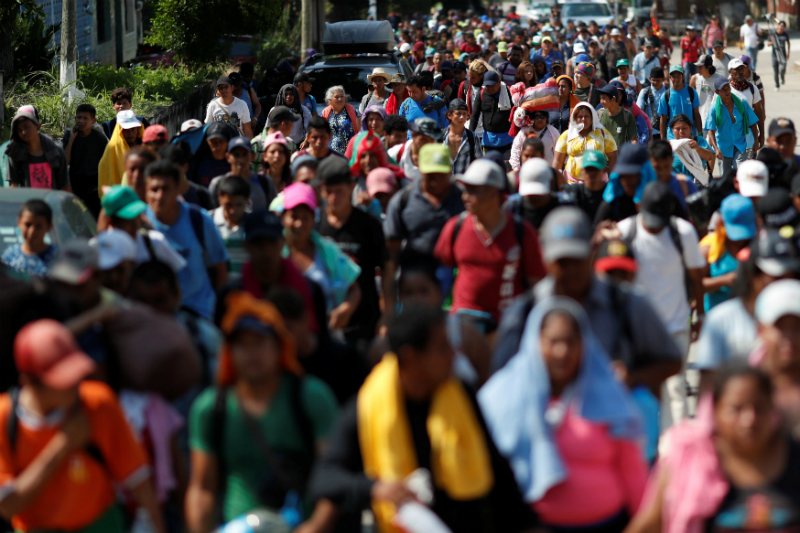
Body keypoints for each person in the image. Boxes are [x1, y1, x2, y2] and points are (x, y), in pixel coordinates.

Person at [310, 305, 539, 533]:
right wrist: (376, 487)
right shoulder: (368, 407)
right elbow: (325, 479)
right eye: (442, 347)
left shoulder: (461, 394)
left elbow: (497, 470)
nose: (453, 354)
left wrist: (529, 525)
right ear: (411, 357)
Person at [482, 297, 647, 531]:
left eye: (571, 342)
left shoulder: (608, 397)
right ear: (535, 342)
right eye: (553, 341)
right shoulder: (503, 398)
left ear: (585, 345)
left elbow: (633, 472)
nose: (562, 351)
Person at [186, 292, 338, 533]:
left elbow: (334, 478)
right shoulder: (210, 409)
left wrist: (314, 528)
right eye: (242, 344)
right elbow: (203, 487)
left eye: (260, 342)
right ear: (229, 351)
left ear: (280, 348)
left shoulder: (312, 398)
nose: (251, 352)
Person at [0, 319, 166, 533]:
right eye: (61, 379)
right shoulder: (4, 418)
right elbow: (7, 506)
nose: (74, 384)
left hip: (102, 526)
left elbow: (139, 482)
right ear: (28, 381)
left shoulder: (99, 402)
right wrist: (62, 446)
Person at [617, 181, 707, 424]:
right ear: (639, 209)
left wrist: (699, 315)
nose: (655, 228)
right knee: (643, 391)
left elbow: (696, 276)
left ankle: (674, 451)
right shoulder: (625, 231)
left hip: (675, 325)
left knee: (676, 390)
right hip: (638, 329)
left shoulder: (683, 232)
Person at [435, 159, 546, 328]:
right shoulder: (454, 228)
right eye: (465, 189)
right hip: (464, 324)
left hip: (508, 326)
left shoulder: (522, 232)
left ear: (494, 192)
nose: (465, 196)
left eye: (473, 190)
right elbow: (441, 276)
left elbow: (537, 284)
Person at [694, 227, 799, 373]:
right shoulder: (720, 321)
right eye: (776, 276)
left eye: (790, 275)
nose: (784, 283)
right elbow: (708, 386)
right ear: (753, 276)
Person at [317, 158, 392, 347]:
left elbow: (386, 270)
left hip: (365, 324)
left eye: (339, 191)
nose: (334, 198)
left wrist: (387, 316)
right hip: (324, 323)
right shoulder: (315, 227)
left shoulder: (369, 226)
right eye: (329, 192)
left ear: (351, 188)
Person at [145, 160, 229, 320]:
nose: (160, 196)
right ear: (146, 192)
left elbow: (220, 268)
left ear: (178, 190)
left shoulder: (200, 220)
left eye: (166, 189)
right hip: (155, 318)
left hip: (199, 314)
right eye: (154, 189)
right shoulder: (140, 224)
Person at [281, 182, 362, 331]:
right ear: (283, 218)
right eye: (294, 216)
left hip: (325, 338)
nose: (299, 223)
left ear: (314, 219)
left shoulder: (328, 251)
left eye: (305, 217)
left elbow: (354, 289)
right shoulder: (275, 252)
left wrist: (345, 310)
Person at [101, 184, 187, 272]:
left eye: (137, 217)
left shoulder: (154, 242)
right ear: (111, 222)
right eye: (128, 220)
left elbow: (180, 273)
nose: (135, 225)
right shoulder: (99, 253)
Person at [700, 194, 756, 313]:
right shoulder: (710, 247)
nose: (740, 239)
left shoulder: (759, 243)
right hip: (715, 318)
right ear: (721, 222)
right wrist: (725, 280)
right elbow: (695, 285)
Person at [6, 106, 70, 191]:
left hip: (51, 202)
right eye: (19, 130)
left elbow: (64, 186)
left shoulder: (56, 152)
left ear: (38, 126)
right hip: (28, 203)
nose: (24, 132)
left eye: (27, 127)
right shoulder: (16, 154)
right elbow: (13, 186)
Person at [704, 77, 760, 175]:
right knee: (725, 177)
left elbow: (753, 124)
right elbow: (711, 130)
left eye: (728, 88)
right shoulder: (714, 108)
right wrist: (716, 149)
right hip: (723, 148)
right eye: (723, 90)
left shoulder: (741, 103)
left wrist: (756, 141)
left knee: (740, 173)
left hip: (740, 145)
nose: (727, 91)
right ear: (717, 92)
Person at [553, 102, 618, 182]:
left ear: (592, 118)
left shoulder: (603, 134)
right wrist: (555, 182)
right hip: (571, 184)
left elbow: (613, 156)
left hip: (598, 184)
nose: (583, 119)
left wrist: (613, 179)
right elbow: (558, 161)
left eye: (586, 116)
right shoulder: (567, 135)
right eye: (580, 117)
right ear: (575, 119)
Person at [62, 103, 107, 216]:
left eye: (85, 118)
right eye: (79, 117)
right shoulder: (69, 135)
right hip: (75, 188)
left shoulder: (99, 138)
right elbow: (66, 161)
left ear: (93, 120)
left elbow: (105, 163)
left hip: (94, 191)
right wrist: (72, 139)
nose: (81, 121)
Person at [210, 136, 276, 212]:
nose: (241, 160)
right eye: (236, 155)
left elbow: (273, 214)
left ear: (253, 156)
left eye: (245, 154)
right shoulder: (218, 184)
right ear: (228, 157)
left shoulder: (265, 182)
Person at [1, 199, 57, 278]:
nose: (32, 232)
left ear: (49, 227)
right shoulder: (10, 256)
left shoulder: (58, 257)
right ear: (19, 222)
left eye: (38, 226)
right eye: (28, 225)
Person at [469, 70, 514, 161]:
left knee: (506, 168)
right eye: (487, 86)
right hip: (489, 141)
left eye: (492, 85)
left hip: (508, 140)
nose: (490, 88)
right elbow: (474, 116)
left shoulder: (509, 93)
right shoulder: (481, 94)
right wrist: (469, 135)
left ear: (498, 82)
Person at [211, 175, 250, 277]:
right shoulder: (208, 221)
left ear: (247, 200)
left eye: (239, 205)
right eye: (228, 205)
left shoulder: (254, 224)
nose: (233, 211)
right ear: (220, 197)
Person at [98, 110, 144, 194]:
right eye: (126, 130)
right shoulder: (112, 148)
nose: (130, 134)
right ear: (119, 130)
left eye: (133, 129)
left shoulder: (144, 145)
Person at [728, 57, 765, 156]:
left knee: (749, 168)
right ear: (730, 71)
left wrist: (761, 135)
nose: (740, 72)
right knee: (732, 170)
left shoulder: (753, 89)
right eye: (737, 69)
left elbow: (758, 112)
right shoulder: (724, 89)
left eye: (742, 69)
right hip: (730, 136)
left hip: (749, 135)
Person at [648, 140, 698, 212]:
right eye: (657, 168)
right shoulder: (643, 186)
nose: (662, 172)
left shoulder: (685, 184)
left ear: (672, 160)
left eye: (666, 166)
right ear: (649, 163)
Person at [657, 65, 703, 140]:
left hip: (689, 136)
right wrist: (662, 138)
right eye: (673, 76)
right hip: (672, 137)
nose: (676, 79)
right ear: (670, 77)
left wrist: (700, 134)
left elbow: (697, 115)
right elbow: (663, 119)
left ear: (683, 76)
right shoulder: (665, 96)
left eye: (678, 76)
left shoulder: (691, 92)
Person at [562, 150, 607, 221]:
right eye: (588, 169)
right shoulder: (574, 192)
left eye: (596, 169)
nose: (592, 173)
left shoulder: (611, 193)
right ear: (582, 170)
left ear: (604, 170)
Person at [669, 114, 716, 182]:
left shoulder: (699, 141)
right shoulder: (670, 145)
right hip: (676, 185)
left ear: (690, 128)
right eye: (677, 129)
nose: (681, 131)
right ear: (672, 130)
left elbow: (710, 156)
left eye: (684, 128)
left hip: (697, 183)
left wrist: (697, 148)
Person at [187, 122, 234, 188]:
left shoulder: (235, 161)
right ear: (207, 141)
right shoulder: (197, 162)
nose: (217, 146)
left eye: (221, 141)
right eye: (214, 142)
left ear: (228, 141)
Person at [442, 99, 482, 175]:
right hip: (444, 184)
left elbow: (479, 163)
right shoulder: (440, 136)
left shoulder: (472, 137)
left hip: (464, 184)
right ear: (449, 115)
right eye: (458, 114)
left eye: (464, 114)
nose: (462, 117)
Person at [320, 86, 360, 155]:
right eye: (336, 97)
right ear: (330, 100)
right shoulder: (325, 113)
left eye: (342, 96)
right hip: (331, 154)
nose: (340, 99)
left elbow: (360, 132)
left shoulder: (354, 112)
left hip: (351, 153)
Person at [598, 84, 638, 148]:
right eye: (600, 98)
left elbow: (633, 140)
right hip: (603, 157)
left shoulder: (627, 116)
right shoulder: (599, 114)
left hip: (621, 157)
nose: (601, 102)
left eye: (604, 98)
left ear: (613, 99)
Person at [689, 54, 724, 129]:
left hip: (715, 119)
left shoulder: (719, 78)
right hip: (699, 119)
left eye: (700, 67)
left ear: (708, 67)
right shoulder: (694, 78)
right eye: (697, 66)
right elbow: (690, 100)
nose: (698, 69)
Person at [636, 67, 667, 140]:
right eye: (653, 80)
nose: (655, 83)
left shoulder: (669, 92)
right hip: (650, 132)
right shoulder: (644, 92)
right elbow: (639, 112)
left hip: (667, 132)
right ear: (649, 79)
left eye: (658, 80)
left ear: (663, 79)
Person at [770, 21, 790, 90]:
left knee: (782, 69)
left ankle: (782, 77)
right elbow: (768, 43)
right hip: (775, 55)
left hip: (783, 54)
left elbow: (788, 43)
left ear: (784, 28)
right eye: (780, 26)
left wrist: (788, 52)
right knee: (776, 71)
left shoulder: (785, 34)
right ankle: (777, 85)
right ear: (778, 26)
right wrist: (772, 41)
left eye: (783, 26)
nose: (781, 27)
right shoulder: (773, 34)